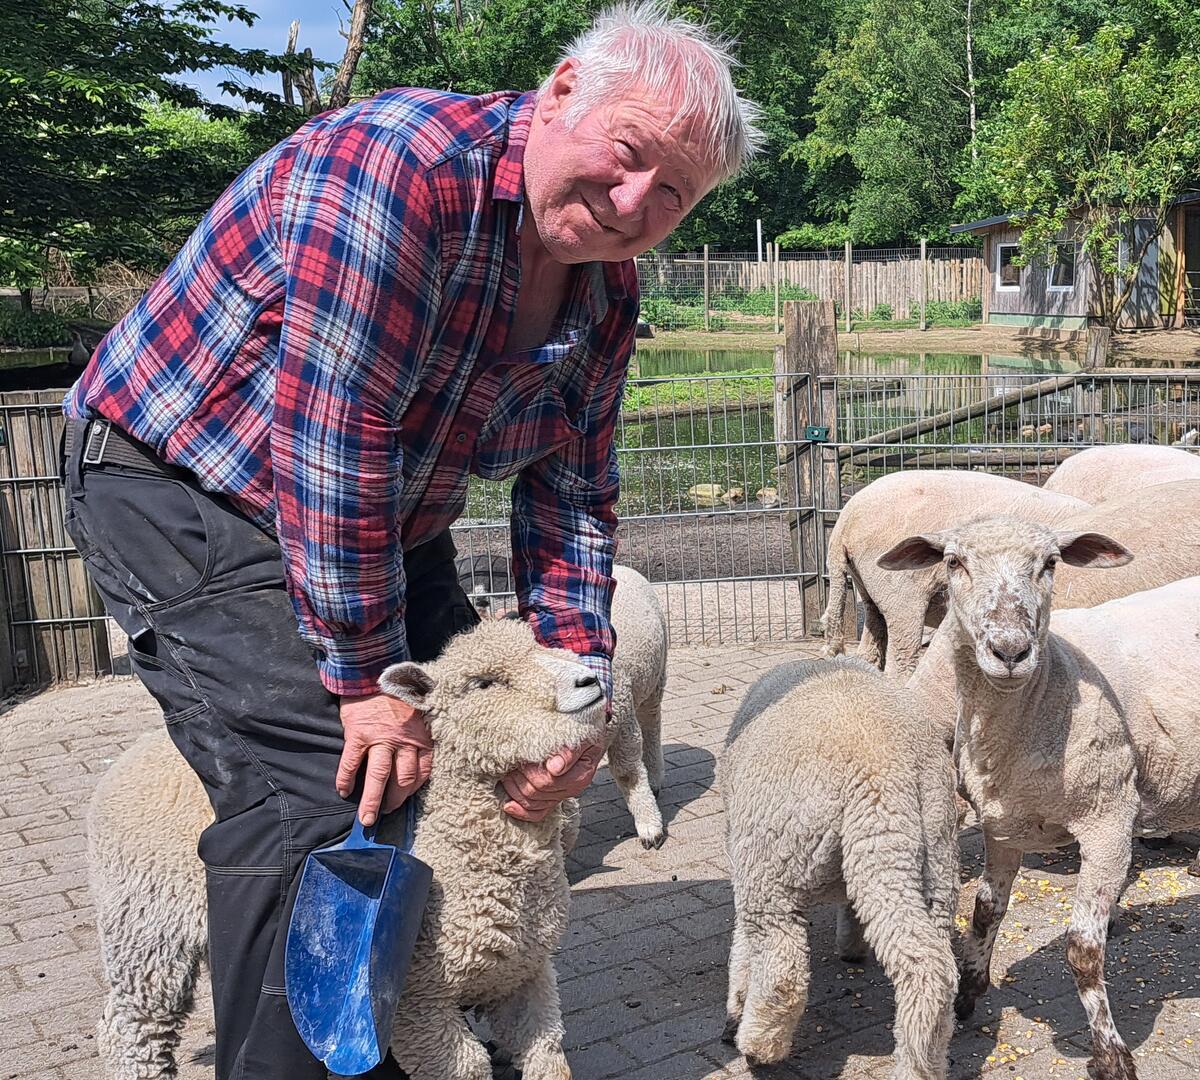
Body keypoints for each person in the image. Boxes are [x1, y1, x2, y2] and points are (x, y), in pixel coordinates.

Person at [62, 4, 761, 1076]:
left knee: (495, 751)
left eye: (673, 195)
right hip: (189, 482)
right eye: (629, 159)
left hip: (377, 509)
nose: (634, 205)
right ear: (563, 91)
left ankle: (418, 1025)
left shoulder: (606, 293)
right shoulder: (392, 171)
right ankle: (307, 1057)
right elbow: (335, 427)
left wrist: (577, 695)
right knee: (328, 794)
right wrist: (366, 681)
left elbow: (573, 497)